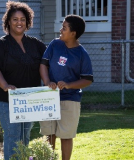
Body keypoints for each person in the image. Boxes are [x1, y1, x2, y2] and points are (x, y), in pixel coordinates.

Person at [0, 1, 46, 160]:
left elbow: (47, 63)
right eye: (15, 19)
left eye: (22, 19)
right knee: (13, 134)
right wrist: (5, 85)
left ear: (28, 22)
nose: (19, 22)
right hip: (5, 99)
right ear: (8, 22)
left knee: (25, 134)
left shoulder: (36, 44)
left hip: (29, 99)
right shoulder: (0, 45)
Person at [39, 14, 93, 160]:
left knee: (66, 135)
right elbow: (43, 64)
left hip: (70, 100)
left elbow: (87, 79)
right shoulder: (55, 44)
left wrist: (69, 85)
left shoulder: (82, 55)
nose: (60, 30)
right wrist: (47, 81)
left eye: (64, 28)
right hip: (49, 97)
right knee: (49, 133)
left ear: (73, 33)